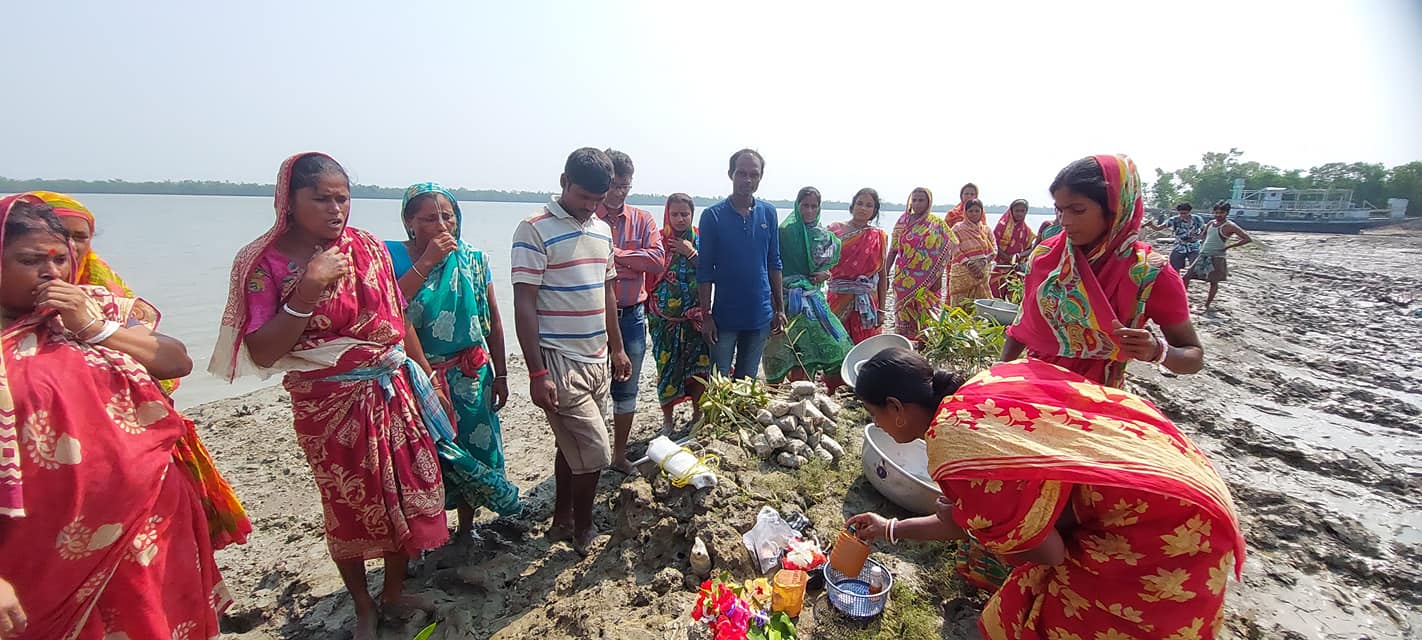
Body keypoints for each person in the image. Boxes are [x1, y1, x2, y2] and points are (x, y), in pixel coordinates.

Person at [211, 153, 450, 639]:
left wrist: (428, 378)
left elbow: (395, 317)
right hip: (327, 403)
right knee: (346, 504)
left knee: (400, 496)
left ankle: (393, 593)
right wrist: (308, 291)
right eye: (321, 198)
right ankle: (362, 603)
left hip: (392, 387)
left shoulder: (367, 246)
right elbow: (261, 349)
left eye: (342, 197)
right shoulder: (265, 263)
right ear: (289, 201)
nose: (335, 208)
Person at [846, 349, 1245, 640]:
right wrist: (889, 528)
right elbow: (962, 519)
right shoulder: (979, 391)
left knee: (1089, 620)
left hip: (1163, 520)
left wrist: (987, 534)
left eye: (874, 414)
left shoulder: (955, 448)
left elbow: (1049, 553)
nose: (877, 426)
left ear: (896, 408)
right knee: (1016, 610)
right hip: (1161, 463)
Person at [1, 194, 246, 639]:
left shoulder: (95, 307)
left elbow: (174, 360)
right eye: (29, 260)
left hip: (149, 523)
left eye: (60, 258)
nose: (50, 272)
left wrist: (94, 328)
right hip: (44, 546)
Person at [511, 148, 631, 556]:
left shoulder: (602, 229)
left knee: (572, 447)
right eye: (584, 197)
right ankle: (584, 526)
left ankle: (561, 520)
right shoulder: (533, 229)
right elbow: (524, 303)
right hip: (558, 359)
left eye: (598, 199)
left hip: (597, 355)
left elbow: (608, 289)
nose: (591, 206)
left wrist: (617, 348)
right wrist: (536, 372)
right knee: (595, 450)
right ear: (564, 182)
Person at [385, 183, 522, 536]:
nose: (443, 225)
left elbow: (491, 314)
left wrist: (502, 373)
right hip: (416, 375)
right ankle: (431, 532)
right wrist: (428, 260)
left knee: (474, 450)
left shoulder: (473, 259)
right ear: (409, 221)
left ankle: (466, 528)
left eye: (448, 216)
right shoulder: (390, 256)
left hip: (471, 373)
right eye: (430, 218)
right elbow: (388, 308)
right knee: (424, 456)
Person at [1003, 154, 1204, 388]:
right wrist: (995, 377)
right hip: (1033, 387)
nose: (1065, 221)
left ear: (1115, 209)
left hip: (1099, 398)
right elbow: (1022, 327)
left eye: (1077, 210)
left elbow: (1194, 357)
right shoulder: (1045, 257)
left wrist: (1157, 350)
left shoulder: (1149, 274)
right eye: (1059, 210)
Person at [596, 150, 665, 475]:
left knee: (627, 386)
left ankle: (619, 454)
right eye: (614, 185)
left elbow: (655, 261)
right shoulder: (588, 218)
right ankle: (591, 455)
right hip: (593, 317)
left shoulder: (642, 219)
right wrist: (629, 260)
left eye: (625, 185)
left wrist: (614, 255)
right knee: (592, 388)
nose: (619, 192)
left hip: (632, 315)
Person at [696, 149, 787, 379]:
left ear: (760, 177)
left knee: (748, 381)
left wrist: (779, 309)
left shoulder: (768, 213)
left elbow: (774, 262)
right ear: (730, 174)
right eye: (741, 173)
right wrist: (706, 315)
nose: (747, 180)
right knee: (719, 382)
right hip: (724, 316)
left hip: (760, 315)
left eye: (754, 174)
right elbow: (705, 270)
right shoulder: (712, 216)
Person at [762, 187, 852, 387]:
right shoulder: (785, 232)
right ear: (797, 205)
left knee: (833, 343)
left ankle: (820, 390)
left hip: (812, 298)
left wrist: (825, 274)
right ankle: (779, 391)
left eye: (814, 206)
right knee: (785, 346)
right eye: (805, 206)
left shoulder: (823, 235)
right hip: (785, 300)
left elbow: (827, 267)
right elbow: (772, 263)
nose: (809, 211)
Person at [646, 193, 711, 433]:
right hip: (664, 319)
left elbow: (712, 269)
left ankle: (698, 413)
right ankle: (668, 421)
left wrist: (690, 252)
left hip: (695, 318)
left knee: (700, 366)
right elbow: (650, 272)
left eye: (685, 214)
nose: (680, 219)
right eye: (675, 214)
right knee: (666, 368)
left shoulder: (700, 239)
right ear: (667, 214)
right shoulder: (659, 240)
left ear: (692, 214)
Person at [886, 187, 950, 343]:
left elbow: (945, 252)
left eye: (921, 200)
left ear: (929, 202)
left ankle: (924, 347)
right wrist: (886, 274)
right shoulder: (902, 221)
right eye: (914, 200)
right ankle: (904, 345)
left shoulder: (937, 225)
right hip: (904, 278)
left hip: (928, 280)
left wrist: (938, 278)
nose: (917, 204)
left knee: (927, 315)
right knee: (903, 314)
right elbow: (893, 250)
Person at [827, 188, 889, 343]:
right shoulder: (834, 230)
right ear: (852, 205)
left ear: (874, 211)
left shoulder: (879, 236)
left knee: (865, 346)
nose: (863, 208)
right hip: (838, 296)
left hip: (867, 300)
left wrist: (881, 309)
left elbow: (882, 275)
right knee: (836, 342)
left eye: (869, 205)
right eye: (860, 203)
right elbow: (821, 264)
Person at [1184, 201, 1252, 312]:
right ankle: (1183, 300)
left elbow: (1247, 239)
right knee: (1186, 277)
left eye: (1221, 213)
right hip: (1203, 255)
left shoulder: (1229, 226)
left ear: (1227, 213)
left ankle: (1207, 305)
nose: (1218, 215)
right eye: (1216, 212)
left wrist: (1228, 247)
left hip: (1217, 257)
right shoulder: (1211, 223)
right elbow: (1203, 235)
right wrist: (1194, 238)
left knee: (1213, 282)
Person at [945, 198, 995, 309]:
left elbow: (994, 249)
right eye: (971, 211)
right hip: (962, 272)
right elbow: (954, 248)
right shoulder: (957, 229)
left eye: (977, 211)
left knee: (981, 307)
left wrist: (983, 262)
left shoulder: (986, 230)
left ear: (981, 212)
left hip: (981, 272)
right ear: (965, 212)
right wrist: (969, 264)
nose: (974, 214)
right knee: (959, 307)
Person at [989, 198, 1037, 299]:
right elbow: (993, 244)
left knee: (1014, 297)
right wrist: (1007, 257)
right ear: (1011, 211)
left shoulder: (1027, 231)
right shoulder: (1001, 227)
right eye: (1017, 210)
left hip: (1017, 269)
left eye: (1022, 211)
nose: (1019, 213)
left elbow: (1031, 249)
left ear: (1026, 212)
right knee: (995, 294)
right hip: (1001, 266)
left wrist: (1018, 256)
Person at [1143, 203, 1205, 273]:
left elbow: (1204, 231)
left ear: (1189, 212)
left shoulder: (1197, 219)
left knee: (1194, 267)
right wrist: (1151, 225)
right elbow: (1158, 228)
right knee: (1174, 268)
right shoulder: (1174, 220)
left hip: (1194, 247)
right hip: (1179, 246)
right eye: (1181, 213)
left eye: (1185, 213)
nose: (1183, 215)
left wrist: (1198, 237)